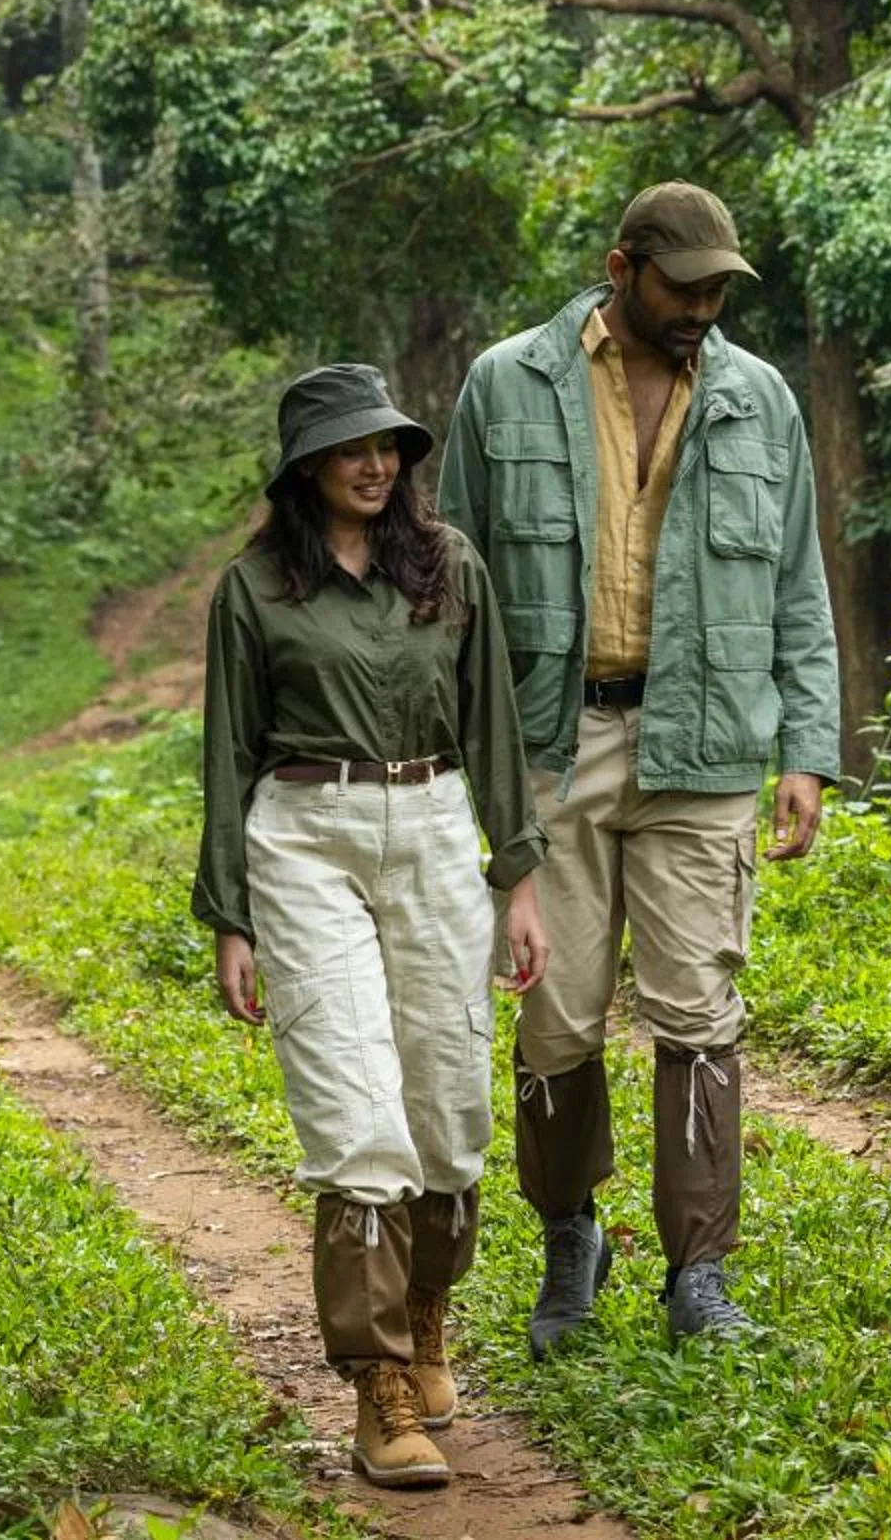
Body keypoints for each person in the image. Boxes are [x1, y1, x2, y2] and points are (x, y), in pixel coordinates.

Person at [439, 181, 838, 1352]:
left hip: (706, 742)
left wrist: (807, 750)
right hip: (555, 740)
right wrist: (462, 756)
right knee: (555, 1020)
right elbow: (453, 583)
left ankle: (697, 1272)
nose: (705, 307)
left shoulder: (759, 400)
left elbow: (798, 587)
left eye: (720, 288)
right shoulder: (505, 381)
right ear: (623, 268)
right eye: (685, 285)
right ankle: (572, 1234)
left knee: (698, 1012)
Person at [195, 362, 552, 1490]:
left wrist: (519, 877)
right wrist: (230, 915)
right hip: (304, 835)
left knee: (449, 1112)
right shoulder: (254, 589)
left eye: (389, 444)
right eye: (351, 447)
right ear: (306, 463)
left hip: (438, 822)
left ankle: (426, 1315)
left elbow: (493, 723)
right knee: (357, 1116)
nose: (375, 462)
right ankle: (378, 1387)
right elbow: (227, 758)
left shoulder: (449, 568)